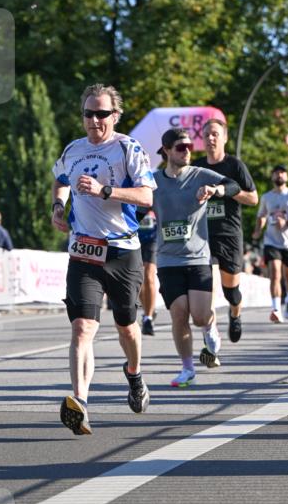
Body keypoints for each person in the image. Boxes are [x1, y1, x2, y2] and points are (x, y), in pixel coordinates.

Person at [51, 84, 156, 434]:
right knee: (82, 328)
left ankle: (134, 373)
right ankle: (79, 403)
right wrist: (57, 206)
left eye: (102, 113)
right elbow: (59, 180)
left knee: (127, 328)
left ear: (115, 115)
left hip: (123, 251)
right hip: (83, 249)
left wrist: (105, 190)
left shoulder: (128, 147)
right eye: (88, 113)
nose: (94, 120)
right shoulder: (73, 149)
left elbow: (146, 196)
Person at [152, 127, 243, 387]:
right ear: (167, 151)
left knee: (200, 316)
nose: (188, 151)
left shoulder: (199, 175)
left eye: (191, 147)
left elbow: (233, 185)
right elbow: (135, 204)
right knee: (179, 314)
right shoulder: (154, 180)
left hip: (198, 257)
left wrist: (216, 192)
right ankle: (187, 368)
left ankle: (209, 328)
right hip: (169, 259)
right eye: (181, 148)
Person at [193, 117, 258, 342]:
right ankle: (210, 335)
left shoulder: (235, 166)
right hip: (201, 234)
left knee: (231, 290)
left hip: (229, 232)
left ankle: (235, 313)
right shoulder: (197, 166)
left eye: (215, 134)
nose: (211, 138)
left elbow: (253, 198)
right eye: (207, 135)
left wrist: (224, 191)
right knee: (205, 286)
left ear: (225, 138)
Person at [252, 164, 288, 322]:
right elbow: (261, 216)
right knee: (275, 273)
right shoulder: (266, 197)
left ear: (287, 177)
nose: (279, 175)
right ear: (272, 177)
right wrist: (257, 230)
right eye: (276, 173)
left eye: (282, 173)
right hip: (272, 241)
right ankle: (276, 309)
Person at [136, 205, 158, 335]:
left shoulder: (154, 185)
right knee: (138, 279)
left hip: (152, 237)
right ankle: (147, 310)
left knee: (149, 275)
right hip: (134, 236)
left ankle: (148, 319)